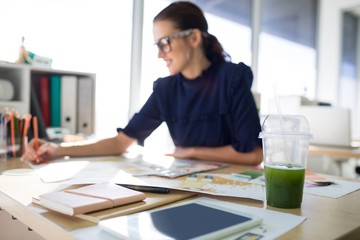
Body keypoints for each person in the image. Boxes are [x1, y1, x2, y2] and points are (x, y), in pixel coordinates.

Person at [21, 1, 263, 165]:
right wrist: (56, 150)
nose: (160, 54)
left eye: (164, 43)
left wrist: (191, 152)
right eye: (157, 45)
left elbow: (254, 154)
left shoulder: (232, 78)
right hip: (190, 189)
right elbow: (120, 142)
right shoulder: (166, 90)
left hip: (235, 190)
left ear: (194, 37)